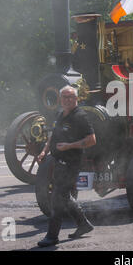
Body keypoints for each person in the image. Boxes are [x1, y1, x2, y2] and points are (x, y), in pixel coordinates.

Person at [37, 85, 96, 248]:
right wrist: (44, 151)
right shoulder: (59, 114)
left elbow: (92, 140)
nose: (67, 100)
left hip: (71, 163)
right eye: (64, 97)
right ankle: (83, 224)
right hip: (58, 162)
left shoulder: (80, 116)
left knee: (56, 199)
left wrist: (70, 145)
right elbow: (52, 137)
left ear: (76, 99)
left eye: (71, 97)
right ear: (60, 99)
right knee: (65, 196)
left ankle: (52, 236)